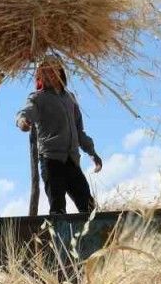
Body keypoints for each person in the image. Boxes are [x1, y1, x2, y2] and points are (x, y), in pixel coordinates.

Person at [16, 59, 104, 215]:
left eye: (53, 70)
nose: (50, 74)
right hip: (51, 160)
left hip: (71, 160)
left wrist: (92, 152)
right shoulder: (38, 98)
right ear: (40, 77)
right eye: (45, 72)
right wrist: (22, 121)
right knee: (58, 208)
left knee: (89, 207)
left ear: (60, 73)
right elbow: (26, 112)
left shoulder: (70, 98)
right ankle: (59, 238)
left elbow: (79, 131)